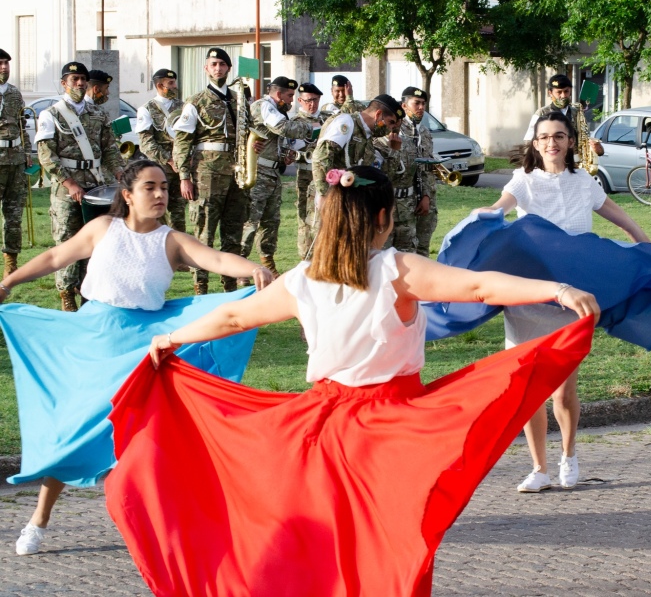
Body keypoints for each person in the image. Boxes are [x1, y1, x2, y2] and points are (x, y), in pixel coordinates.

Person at [103, 164, 599, 595]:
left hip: (320, 433)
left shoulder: (303, 279)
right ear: (383, 220)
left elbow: (234, 318)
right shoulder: (394, 270)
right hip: (389, 431)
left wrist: (173, 338)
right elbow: (478, 285)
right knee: (391, 547)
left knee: (329, 547)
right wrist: (556, 288)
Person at [0, 159, 273, 557]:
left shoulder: (172, 241)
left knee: (148, 439)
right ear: (127, 195)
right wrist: (8, 282)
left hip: (143, 347)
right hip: (93, 340)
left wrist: (253, 269)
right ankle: (38, 520)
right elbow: (56, 257)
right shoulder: (102, 229)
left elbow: (215, 259)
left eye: (164, 186)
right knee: (72, 432)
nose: (161, 194)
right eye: (150, 187)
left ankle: (160, 528)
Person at [474, 111, 649, 493]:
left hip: (572, 301)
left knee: (563, 389)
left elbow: (618, 216)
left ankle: (569, 457)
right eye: (544, 137)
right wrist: (477, 221)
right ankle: (539, 468)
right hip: (529, 298)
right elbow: (498, 208)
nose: (551, 142)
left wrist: (646, 243)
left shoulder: (584, 182)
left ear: (571, 142)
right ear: (535, 144)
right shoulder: (524, 181)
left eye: (559, 136)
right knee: (528, 388)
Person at [35, 61, 125, 311]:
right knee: (68, 240)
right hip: (68, 188)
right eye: (74, 79)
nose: (80, 83)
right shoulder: (51, 114)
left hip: (97, 185)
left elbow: (109, 148)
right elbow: (46, 155)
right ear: (64, 83)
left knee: (97, 241)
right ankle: (67, 294)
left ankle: (89, 292)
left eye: (83, 79)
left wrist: (119, 172)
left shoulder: (98, 113)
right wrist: (69, 183)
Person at [172, 47, 249, 295]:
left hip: (237, 173)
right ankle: (201, 289)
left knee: (233, 233)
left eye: (222, 64)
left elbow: (249, 131)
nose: (218, 68)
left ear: (229, 69)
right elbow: (182, 141)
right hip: (206, 174)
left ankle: (230, 289)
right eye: (213, 64)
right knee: (204, 234)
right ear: (206, 69)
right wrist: (184, 176)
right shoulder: (196, 102)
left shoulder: (240, 100)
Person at [240, 76, 318, 277]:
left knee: (270, 223)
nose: (292, 101)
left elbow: (280, 139)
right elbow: (283, 128)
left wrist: (287, 154)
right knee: (250, 222)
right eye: (290, 96)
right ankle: (239, 269)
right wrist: (314, 130)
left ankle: (268, 265)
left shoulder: (277, 110)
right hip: (258, 172)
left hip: (273, 173)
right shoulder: (264, 106)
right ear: (277, 94)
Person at [312, 93, 404, 201]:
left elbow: (383, 175)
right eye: (390, 122)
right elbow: (321, 157)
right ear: (378, 115)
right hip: (331, 199)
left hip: (349, 200)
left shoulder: (368, 138)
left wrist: (394, 151)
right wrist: (325, 196)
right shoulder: (347, 122)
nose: (390, 129)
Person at [376, 86, 435, 253]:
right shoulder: (383, 136)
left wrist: (426, 195)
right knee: (383, 253)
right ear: (404, 106)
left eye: (424, 103)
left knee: (409, 253)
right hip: (387, 203)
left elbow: (423, 169)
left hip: (408, 205)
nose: (421, 107)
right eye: (417, 103)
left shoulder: (422, 133)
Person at [136, 68, 185, 231]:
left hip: (182, 168)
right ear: (159, 85)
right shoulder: (147, 109)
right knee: (157, 212)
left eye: (174, 82)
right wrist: (169, 160)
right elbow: (146, 143)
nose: (174, 86)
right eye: (170, 83)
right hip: (160, 168)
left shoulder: (183, 106)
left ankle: (178, 249)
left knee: (179, 214)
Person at [523, 74, 604, 160]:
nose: (563, 96)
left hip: (574, 162)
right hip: (550, 162)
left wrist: (598, 149)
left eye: (566, 91)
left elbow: (584, 138)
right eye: (559, 92)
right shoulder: (541, 113)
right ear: (550, 93)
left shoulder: (577, 112)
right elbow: (528, 142)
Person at [0, 47, 30, 278]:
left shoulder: (14, 94)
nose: (4, 67)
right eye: (0, 63)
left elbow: (22, 125)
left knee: (14, 214)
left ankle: (11, 262)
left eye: (6, 63)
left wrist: (27, 152)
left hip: (16, 160)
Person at [290, 82, 324, 259]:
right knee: (306, 219)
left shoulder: (327, 119)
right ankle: (307, 258)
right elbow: (292, 148)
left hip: (326, 175)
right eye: (308, 101)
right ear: (300, 101)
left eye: (315, 100)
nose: (312, 104)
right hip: (306, 173)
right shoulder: (295, 122)